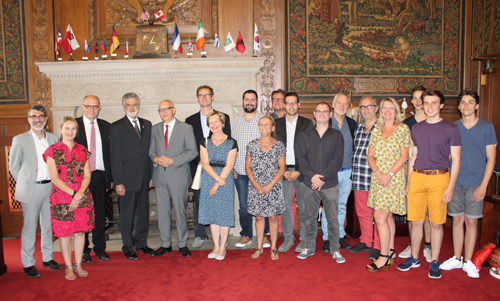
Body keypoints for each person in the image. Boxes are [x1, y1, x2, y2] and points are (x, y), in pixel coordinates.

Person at [398, 89, 461, 279]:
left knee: (435, 223)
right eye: (426, 103)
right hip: (417, 177)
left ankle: (434, 260)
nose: (430, 107)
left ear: (441, 105)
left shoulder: (451, 129)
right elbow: (412, 156)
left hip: (439, 178)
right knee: (415, 221)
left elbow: (456, 160)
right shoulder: (416, 128)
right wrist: (409, 182)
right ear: (422, 105)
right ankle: (414, 257)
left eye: (434, 103)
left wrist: (450, 186)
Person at [439, 89, 497, 278]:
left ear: (477, 105)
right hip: (455, 181)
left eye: (470, 102)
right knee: (457, 220)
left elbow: (491, 159)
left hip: (475, 182)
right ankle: (457, 258)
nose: (466, 105)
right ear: (458, 106)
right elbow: (448, 156)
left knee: (471, 222)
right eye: (463, 102)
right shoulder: (452, 127)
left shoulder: (487, 127)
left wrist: (483, 185)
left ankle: (470, 261)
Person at [9, 105, 62, 277]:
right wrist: (26, 183)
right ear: (28, 119)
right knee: (30, 227)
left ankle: (47, 257)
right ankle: (28, 263)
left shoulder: (54, 139)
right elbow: (13, 167)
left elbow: (59, 165)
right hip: (31, 189)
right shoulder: (20, 139)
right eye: (34, 116)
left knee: (48, 226)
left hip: (50, 188)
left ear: (46, 118)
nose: (37, 120)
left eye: (40, 116)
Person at [44, 116, 94, 280]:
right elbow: (54, 178)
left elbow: (87, 176)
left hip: (81, 194)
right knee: (65, 234)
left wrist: (79, 193)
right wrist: (73, 194)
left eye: (73, 129)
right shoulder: (52, 151)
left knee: (80, 232)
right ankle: (69, 267)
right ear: (60, 129)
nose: (70, 132)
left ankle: (79, 264)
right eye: (67, 128)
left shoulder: (83, 150)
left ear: (76, 131)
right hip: (62, 196)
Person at [297, 102, 345, 263]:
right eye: (319, 111)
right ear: (314, 114)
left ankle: (335, 249)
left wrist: (322, 177)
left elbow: (337, 161)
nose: (323, 114)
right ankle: (309, 247)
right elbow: (301, 159)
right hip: (309, 183)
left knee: (332, 218)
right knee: (310, 218)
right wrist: (312, 176)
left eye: (326, 112)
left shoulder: (337, 136)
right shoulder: (305, 135)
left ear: (330, 114)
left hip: (330, 183)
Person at [366, 98, 410, 272]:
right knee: (388, 216)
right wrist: (378, 174)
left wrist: (388, 175)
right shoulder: (376, 131)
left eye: (391, 108)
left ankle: (383, 257)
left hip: (393, 180)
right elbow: (370, 155)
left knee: (379, 217)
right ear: (380, 111)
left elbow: (404, 156)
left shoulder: (403, 129)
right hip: (378, 179)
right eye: (385, 108)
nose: (387, 111)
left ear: (396, 110)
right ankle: (390, 251)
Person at [150, 100, 198, 258]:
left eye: (167, 109)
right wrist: (156, 159)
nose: (164, 112)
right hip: (160, 177)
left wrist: (173, 160)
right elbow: (151, 151)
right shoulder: (155, 129)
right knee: (162, 212)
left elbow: (192, 152)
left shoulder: (185, 128)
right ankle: (165, 244)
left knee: (180, 212)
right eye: (161, 109)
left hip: (178, 175)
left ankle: (182, 243)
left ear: (174, 110)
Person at [185, 85, 231, 249]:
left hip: (220, 168)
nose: (204, 97)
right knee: (200, 202)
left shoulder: (223, 117)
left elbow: (229, 142)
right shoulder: (190, 120)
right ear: (197, 98)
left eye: (207, 95)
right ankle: (199, 234)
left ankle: (220, 239)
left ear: (212, 97)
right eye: (200, 95)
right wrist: (200, 161)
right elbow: (189, 145)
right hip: (198, 168)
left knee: (220, 201)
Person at [110, 92, 153, 260]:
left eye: (134, 104)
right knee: (127, 214)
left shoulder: (147, 125)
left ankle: (141, 242)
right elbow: (115, 157)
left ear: (138, 105)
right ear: (124, 107)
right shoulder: (117, 127)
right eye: (128, 105)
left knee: (143, 212)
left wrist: (151, 176)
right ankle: (128, 246)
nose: (131, 108)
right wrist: (118, 182)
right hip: (126, 180)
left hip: (144, 177)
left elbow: (148, 152)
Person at [275, 92, 313, 253]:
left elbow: (311, 151)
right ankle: (289, 238)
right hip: (282, 171)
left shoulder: (307, 123)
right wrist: (282, 171)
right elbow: (274, 149)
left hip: (301, 172)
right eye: (288, 103)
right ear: (284, 105)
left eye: (294, 103)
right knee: (284, 206)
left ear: (298, 105)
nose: (290, 106)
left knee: (304, 207)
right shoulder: (276, 124)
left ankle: (304, 238)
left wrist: (299, 171)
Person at [75, 95, 112, 263]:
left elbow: (111, 155)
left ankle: (100, 248)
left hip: (100, 175)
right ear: (83, 107)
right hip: (80, 179)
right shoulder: (73, 126)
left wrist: (110, 178)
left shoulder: (106, 126)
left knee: (99, 214)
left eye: (95, 106)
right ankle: (83, 250)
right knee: (82, 214)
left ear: (99, 108)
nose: (92, 109)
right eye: (89, 106)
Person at [231, 89, 268, 248]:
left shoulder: (263, 121)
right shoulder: (234, 123)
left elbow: (268, 144)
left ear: (257, 102)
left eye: (253, 100)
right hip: (240, 171)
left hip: (259, 172)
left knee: (262, 204)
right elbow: (231, 147)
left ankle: (264, 235)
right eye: (247, 99)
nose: (250, 102)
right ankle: (246, 234)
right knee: (244, 205)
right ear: (242, 102)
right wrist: (231, 166)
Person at [199, 111, 238, 260]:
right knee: (213, 214)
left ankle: (223, 247)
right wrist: (216, 180)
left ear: (222, 123)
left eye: (216, 122)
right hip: (209, 178)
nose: (214, 125)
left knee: (224, 213)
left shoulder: (231, 142)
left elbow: (229, 165)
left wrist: (219, 182)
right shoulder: (205, 142)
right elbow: (205, 163)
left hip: (225, 179)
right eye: (211, 123)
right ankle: (216, 245)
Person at [246, 116, 286, 260]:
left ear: (272, 127)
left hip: (273, 187)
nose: (263, 126)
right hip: (255, 186)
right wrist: (256, 184)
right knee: (258, 217)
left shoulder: (279, 145)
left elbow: (282, 168)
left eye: (267, 124)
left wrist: (269, 185)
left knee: (273, 217)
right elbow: (247, 167)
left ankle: (274, 248)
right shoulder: (251, 145)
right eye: (261, 124)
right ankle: (259, 247)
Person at [400, 85, 432, 262]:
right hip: (411, 173)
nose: (419, 101)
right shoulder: (406, 124)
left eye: (422, 98)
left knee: (427, 214)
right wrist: (407, 179)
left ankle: (427, 246)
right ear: (411, 101)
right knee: (413, 214)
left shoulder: (433, 121)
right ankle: (413, 245)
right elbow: (405, 153)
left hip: (431, 173)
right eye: (416, 98)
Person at [322, 92, 357, 253]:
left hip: (347, 172)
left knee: (341, 205)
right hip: (330, 173)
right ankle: (327, 238)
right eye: (339, 103)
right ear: (333, 104)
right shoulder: (325, 122)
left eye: (345, 103)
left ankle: (339, 235)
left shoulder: (352, 123)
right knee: (329, 205)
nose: (342, 106)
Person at [349, 96, 381, 260]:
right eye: (363, 107)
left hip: (376, 179)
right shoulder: (359, 129)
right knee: (362, 212)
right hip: (359, 177)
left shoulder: (383, 128)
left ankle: (379, 246)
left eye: (370, 106)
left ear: (376, 108)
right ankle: (366, 241)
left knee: (378, 215)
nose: (366, 109)